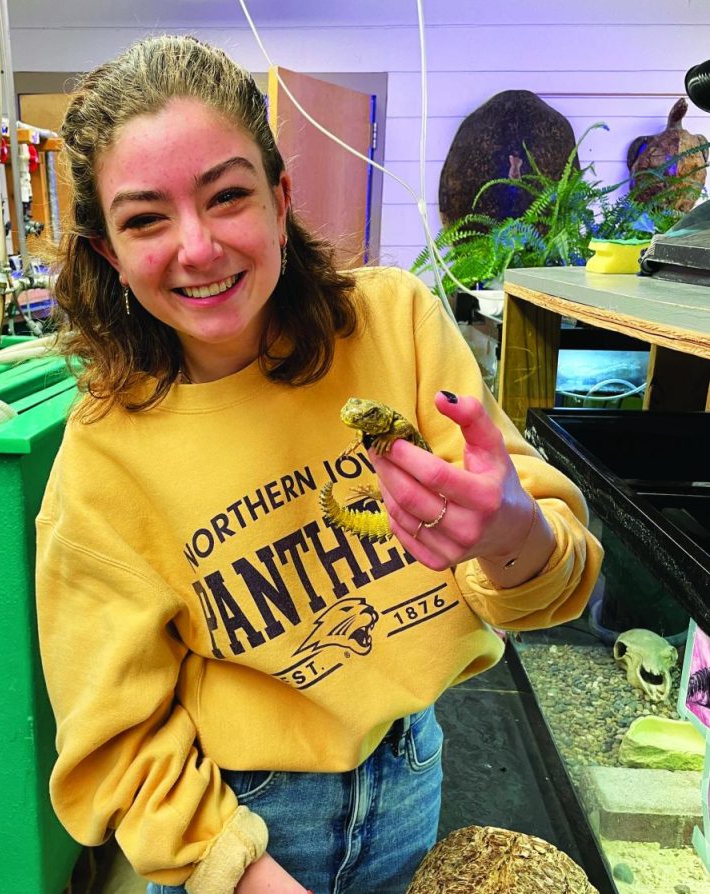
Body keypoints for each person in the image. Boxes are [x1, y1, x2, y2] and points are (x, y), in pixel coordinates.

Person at [35, 34, 603, 894]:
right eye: (145, 218)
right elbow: (115, 740)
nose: (197, 247)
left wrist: (509, 528)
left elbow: (552, 584)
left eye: (227, 197)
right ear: (110, 253)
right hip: (238, 826)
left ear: (278, 198)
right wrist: (244, 871)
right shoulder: (103, 462)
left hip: (411, 765)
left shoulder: (393, 327)